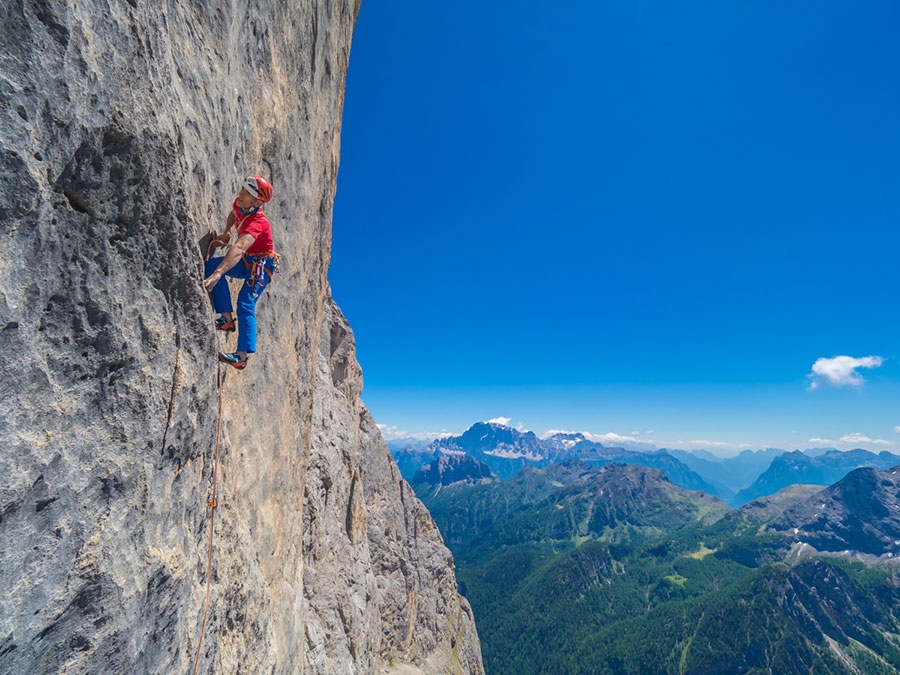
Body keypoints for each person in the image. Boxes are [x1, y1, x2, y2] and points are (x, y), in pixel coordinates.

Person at [203, 175, 278, 370]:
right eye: (243, 189)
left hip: (262, 266)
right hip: (248, 261)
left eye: (247, 193)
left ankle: (241, 357)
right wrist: (228, 231)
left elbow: (238, 248)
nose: (241, 194)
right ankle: (227, 320)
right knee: (210, 266)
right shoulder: (242, 204)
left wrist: (220, 273)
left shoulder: (258, 222)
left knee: (245, 303)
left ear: (258, 201)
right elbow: (233, 213)